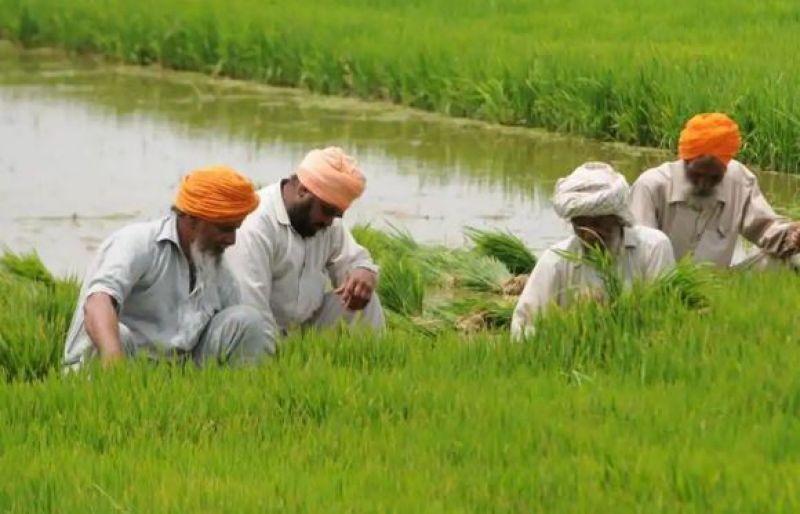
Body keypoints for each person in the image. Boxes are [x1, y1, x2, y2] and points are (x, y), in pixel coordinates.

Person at [63, 166, 272, 369]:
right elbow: (97, 304)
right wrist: (115, 368)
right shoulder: (138, 243)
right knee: (118, 334)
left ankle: (237, 397)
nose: (232, 240)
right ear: (192, 219)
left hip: (172, 376)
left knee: (247, 321)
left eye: (235, 229)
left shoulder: (220, 272)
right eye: (225, 229)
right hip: (116, 366)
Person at [225, 147, 384, 349]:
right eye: (327, 211)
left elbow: (355, 262)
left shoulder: (324, 223)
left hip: (302, 330)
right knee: (252, 323)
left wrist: (364, 272)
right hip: (252, 333)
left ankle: (372, 364)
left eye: (337, 215)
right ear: (302, 191)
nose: (329, 222)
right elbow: (251, 309)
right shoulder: (255, 225)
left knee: (364, 300)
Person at [511, 162, 675, 340]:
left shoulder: (653, 248)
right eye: (580, 224)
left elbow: (663, 318)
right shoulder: (555, 260)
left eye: (597, 224)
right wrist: (566, 330)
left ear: (617, 218)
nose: (588, 235)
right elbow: (523, 325)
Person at [630, 112, 800, 268]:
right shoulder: (651, 186)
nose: (704, 184)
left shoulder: (738, 180)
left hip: (723, 282)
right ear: (684, 161)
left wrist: (793, 236)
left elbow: (765, 228)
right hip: (662, 279)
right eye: (697, 175)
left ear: (725, 168)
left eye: (714, 178)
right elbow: (639, 249)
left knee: (792, 258)